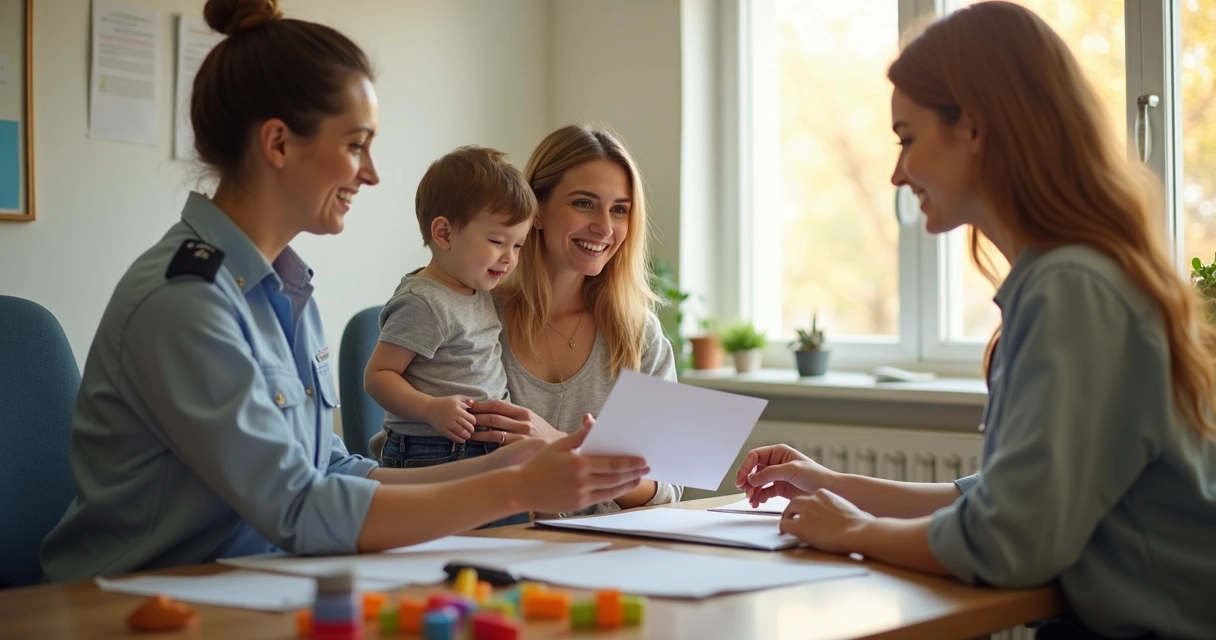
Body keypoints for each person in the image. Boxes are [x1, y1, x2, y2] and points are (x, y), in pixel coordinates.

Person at [39, 0, 648, 583]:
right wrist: (516, 490)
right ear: (277, 143)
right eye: (356, 145)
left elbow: (329, 468)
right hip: (140, 603)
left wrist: (506, 464)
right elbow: (299, 507)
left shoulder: (284, 287)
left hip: (256, 588)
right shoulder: (186, 301)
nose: (371, 172)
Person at [735, 3, 1216, 638]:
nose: (896, 172)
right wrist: (835, 486)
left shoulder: (1071, 287)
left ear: (974, 129)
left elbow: (1010, 540)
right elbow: (1004, 500)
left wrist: (852, 531)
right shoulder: (1072, 275)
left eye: (907, 138)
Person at [378, 124, 682, 515]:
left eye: (620, 209)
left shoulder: (640, 334)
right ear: (535, 211)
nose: (605, 227)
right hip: (491, 544)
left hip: (602, 553)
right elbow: (409, 447)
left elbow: (666, 489)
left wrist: (559, 443)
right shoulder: (468, 312)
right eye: (584, 203)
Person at [364, 146, 535, 526]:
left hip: (486, 450)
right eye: (496, 241)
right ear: (444, 233)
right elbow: (378, 376)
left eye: (518, 245)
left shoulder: (478, 291)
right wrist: (431, 409)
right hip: (432, 450)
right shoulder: (423, 302)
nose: (509, 258)